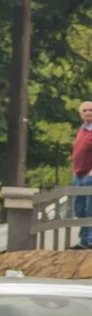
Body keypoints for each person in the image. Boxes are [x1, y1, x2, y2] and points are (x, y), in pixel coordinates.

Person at [72, 100, 92, 249]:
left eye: (90, 110)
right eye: (84, 110)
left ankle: (89, 241)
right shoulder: (82, 129)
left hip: (90, 174)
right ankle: (84, 240)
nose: (87, 113)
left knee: (90, 208)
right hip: (78, 174)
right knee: (79, 208)